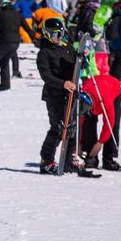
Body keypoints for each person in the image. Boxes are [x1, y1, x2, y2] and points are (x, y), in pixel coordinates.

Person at [36, 18, 80, 174]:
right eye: (55, 34)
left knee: (72, 127)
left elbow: (74, 65)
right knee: (58, 127)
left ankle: (68, 160)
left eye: (61, 34)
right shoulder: (44, 53)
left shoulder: (67, 47)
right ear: (47, 35)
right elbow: (46, 76)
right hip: (54, 94)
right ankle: (46, 160)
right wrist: (63, 83)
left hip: (71, 93)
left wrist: (82, 56)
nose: (59, 37)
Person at [80, 70, 121, 171]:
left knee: (113, 126)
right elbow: (80, 124)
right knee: (88, 124)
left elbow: (109, 123)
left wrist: (100, 142)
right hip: (95, 85)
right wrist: (80, 142)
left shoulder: (105, 99)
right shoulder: (81, 101)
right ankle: (91, 157)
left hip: (113, 90)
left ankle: (109, 158)